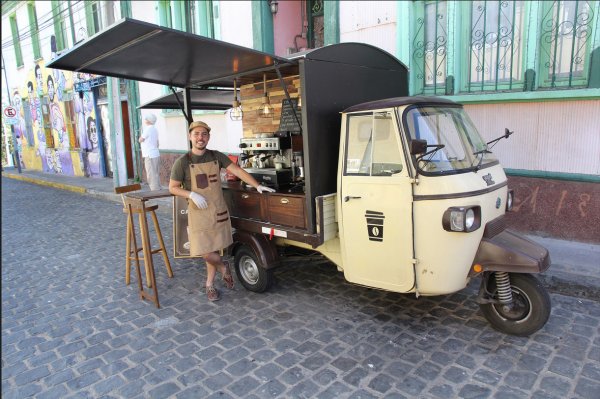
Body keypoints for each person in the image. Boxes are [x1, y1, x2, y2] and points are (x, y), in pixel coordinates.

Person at [169, 121, 275, 302]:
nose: (200, 138)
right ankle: (224, 267)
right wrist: (191, 194)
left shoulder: (216, 156)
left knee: (214, 248)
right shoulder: (182, 162)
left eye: (204, 134)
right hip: (198, 212)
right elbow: (173, 187)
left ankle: (209, 285)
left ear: (208, 137)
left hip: (217, 210)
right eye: (196, 134)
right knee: (204, 251)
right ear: (190, 136)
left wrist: (257, 185)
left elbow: (237, 170)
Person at [139, 114, 162, 191]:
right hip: (155, 153)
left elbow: (141, 139)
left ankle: (155, 190)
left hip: (149, 154)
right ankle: (158, 188)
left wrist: (140, 139)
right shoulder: (155, 129)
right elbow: (157, 142)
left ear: (148, 120)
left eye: (146, 119)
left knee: (151, 174)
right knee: (156, 172)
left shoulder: (148, 129)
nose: (145, 120)